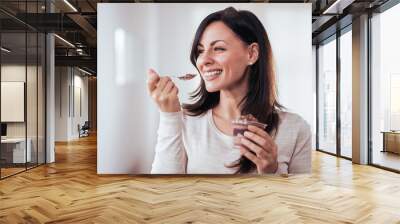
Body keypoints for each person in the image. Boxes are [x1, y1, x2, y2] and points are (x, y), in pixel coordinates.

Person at [147, 7, 311, 174]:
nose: (203, 60)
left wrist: (271, 173)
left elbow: (301, 198)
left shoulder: (295, 129)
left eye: (218, 48)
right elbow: (164, 190)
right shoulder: (186, 122)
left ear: (252, 54)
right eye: (200, 51)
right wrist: (169, 116)